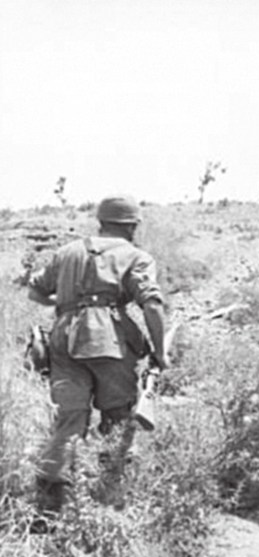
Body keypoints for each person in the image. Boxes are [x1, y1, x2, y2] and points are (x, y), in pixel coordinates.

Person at [27, 196, 167, 523]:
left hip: (63, 342)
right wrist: (160, 352)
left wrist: (66, 305)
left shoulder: (66, 252)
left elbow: (35, 291)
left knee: (69, 421)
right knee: (119, 417)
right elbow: (153, 305)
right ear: (131, 226)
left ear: (101, 222)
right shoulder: (135, 256)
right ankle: (113, 504)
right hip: (110, 343)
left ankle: (50, 512)